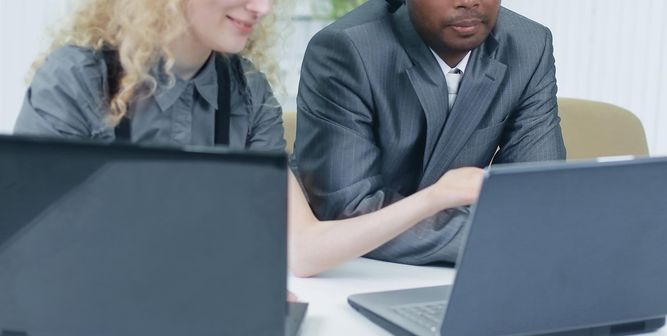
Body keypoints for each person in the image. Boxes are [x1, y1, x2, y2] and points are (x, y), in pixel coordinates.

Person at [13, 0, 484, 278]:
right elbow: (37, 251)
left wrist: (434, 198)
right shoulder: (77, 79)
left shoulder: (248, 93)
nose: (260, 7)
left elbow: (302, 249)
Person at [292, 0, 567, 265]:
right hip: (352, 269)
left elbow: (538, 198)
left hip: (472, 268)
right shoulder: (347, 48)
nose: (469, 2)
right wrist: (500, 236)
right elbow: (348, 210)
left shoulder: (529, 44)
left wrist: (520, 235)